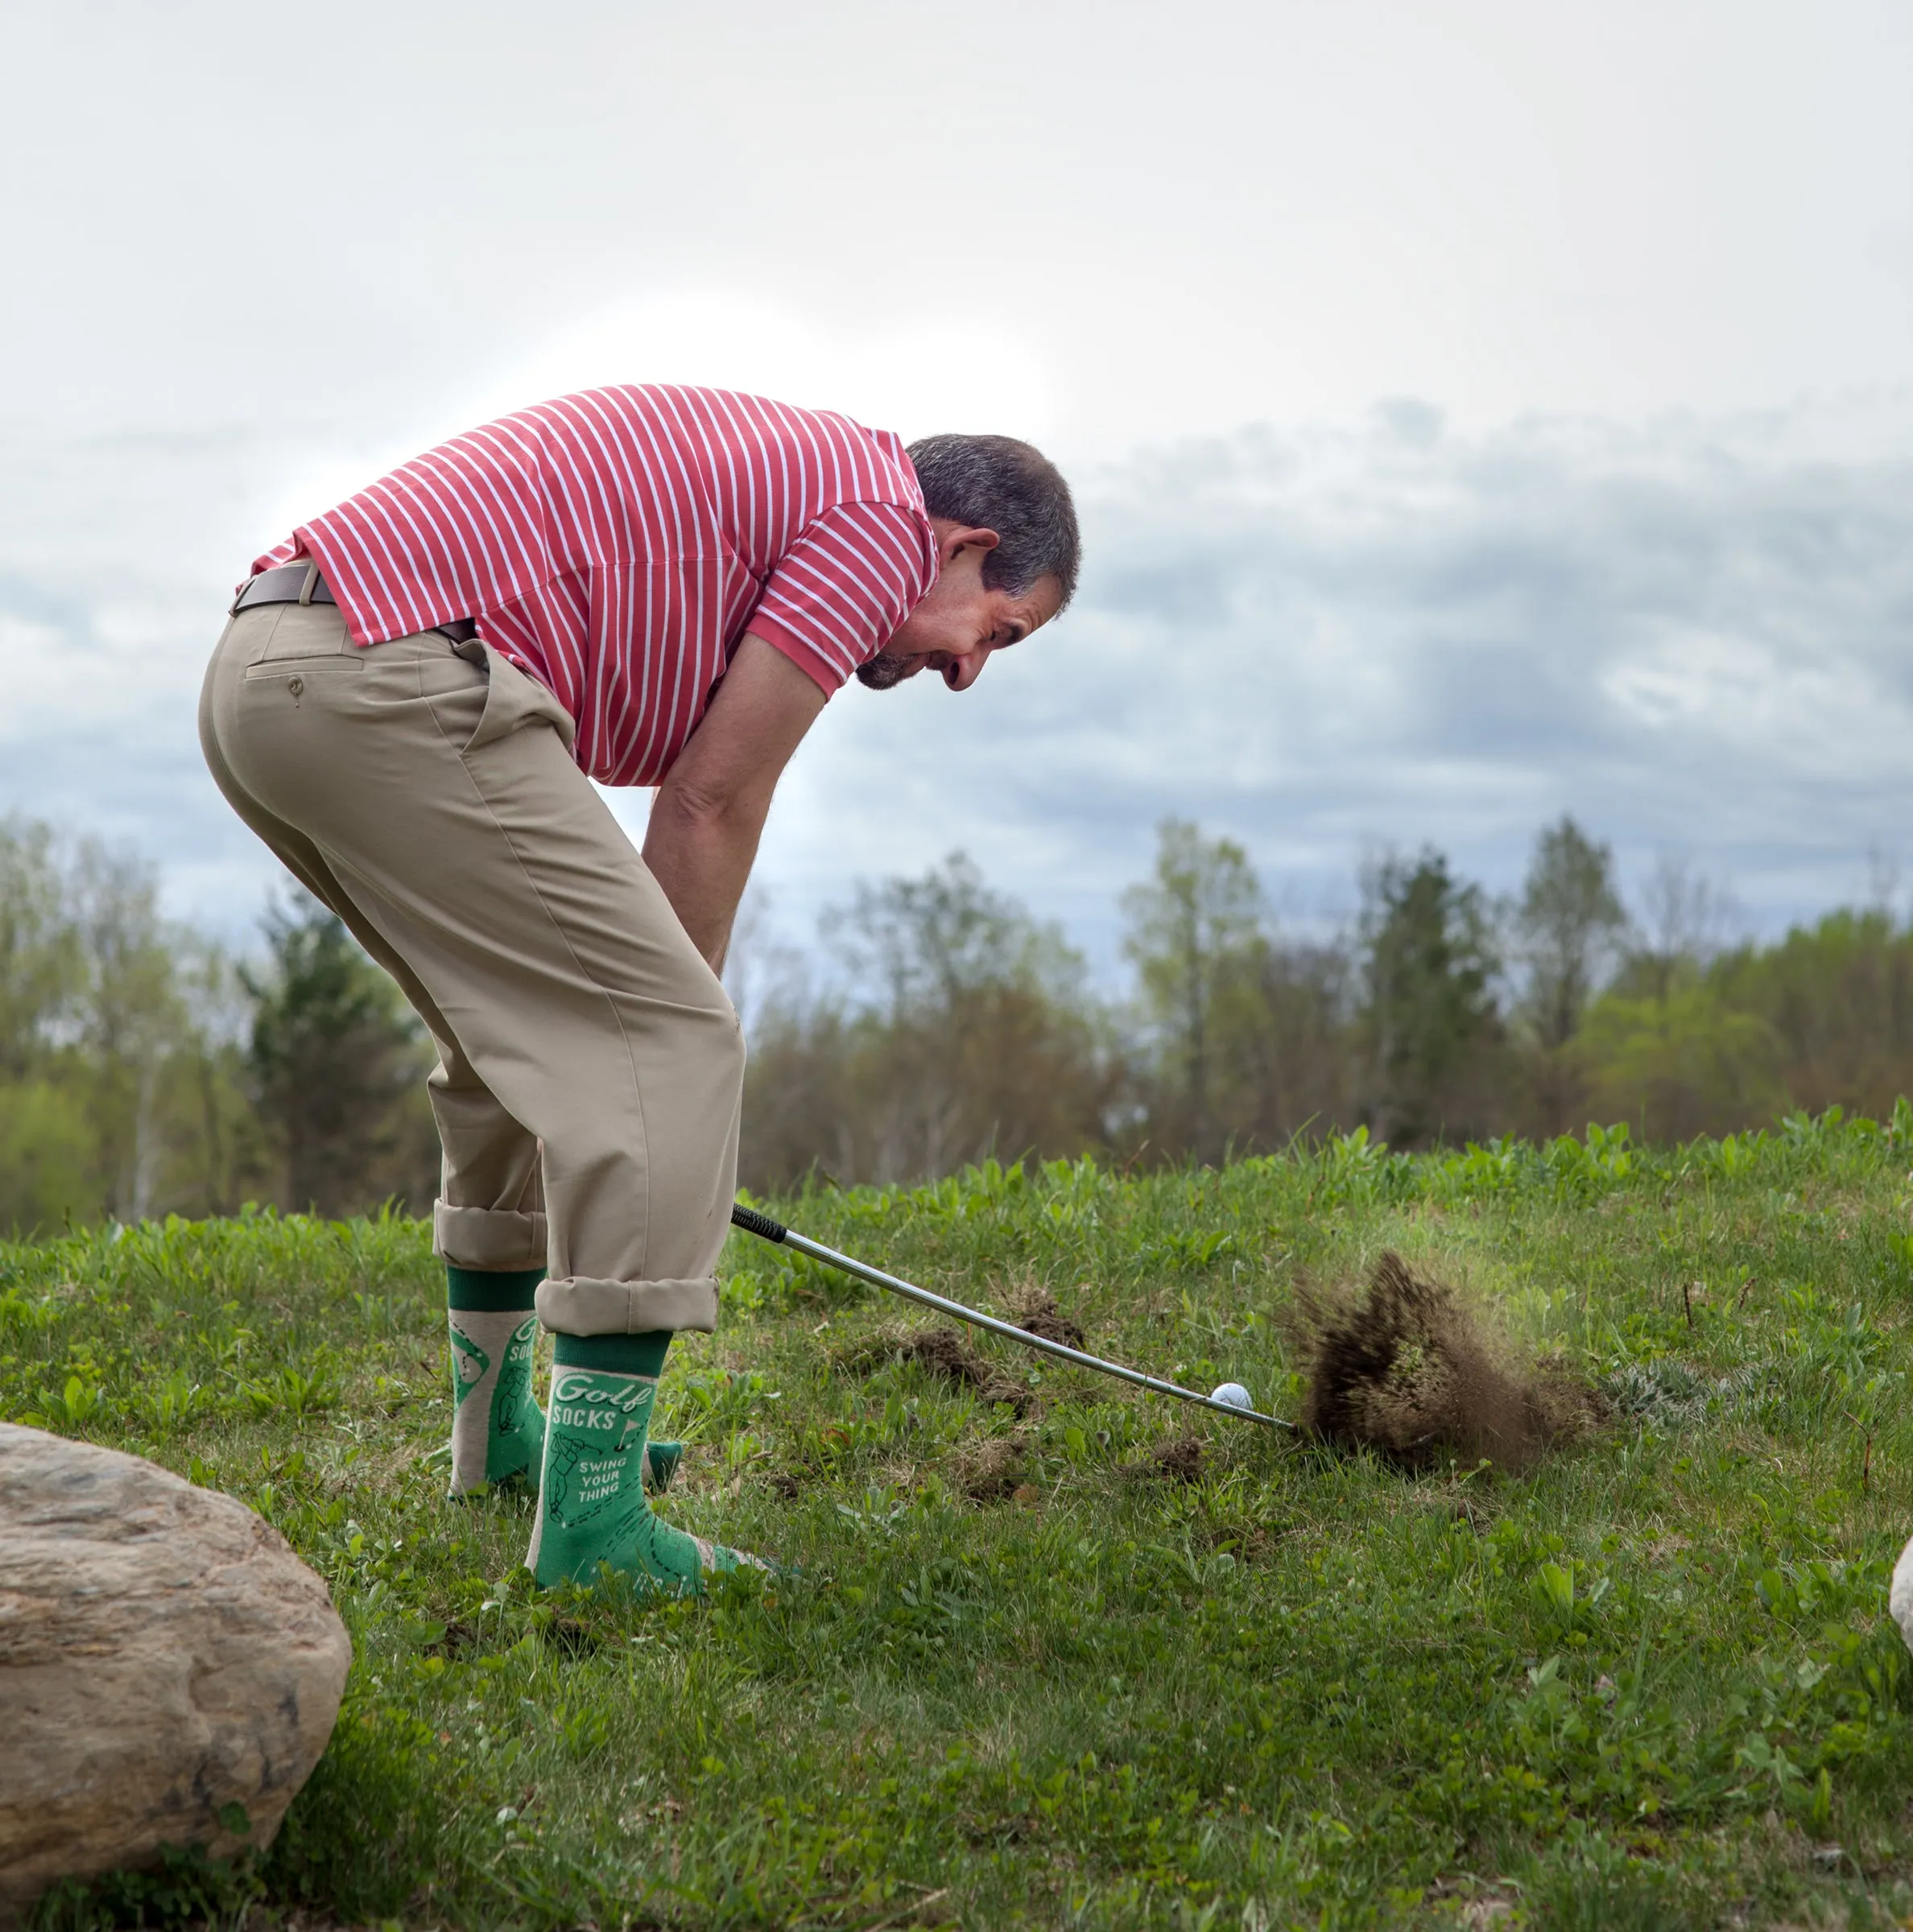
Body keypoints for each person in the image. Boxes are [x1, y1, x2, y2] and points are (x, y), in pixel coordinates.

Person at [198, 384, 1079, 1592]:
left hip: (271, 673)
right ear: (967, 545)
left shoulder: (810, 475)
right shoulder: (883, 524)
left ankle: (500, 1441)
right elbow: (713, 798)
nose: (970, 670)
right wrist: (661, 1082)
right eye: (999, 629)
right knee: (664, 1045)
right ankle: (596, 1532)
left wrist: (628, 1063)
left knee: (515, 1047)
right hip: (382, 678)